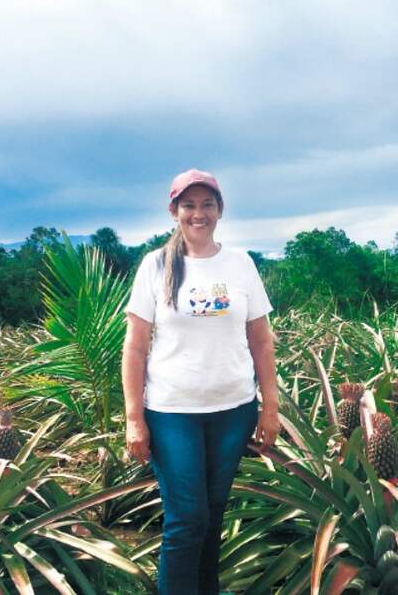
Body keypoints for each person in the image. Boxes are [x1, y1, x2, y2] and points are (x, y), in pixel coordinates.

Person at [121, 168, 280, 595]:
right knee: (187, 519)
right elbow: (134, 347)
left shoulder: (240, 264)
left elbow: (261, 342)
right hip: (173, 413)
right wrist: (134, 418)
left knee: (211, 514)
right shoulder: (155, 265)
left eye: (207, 204)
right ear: (174, 211)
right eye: (188, 205)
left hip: (233, 409)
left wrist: (270, 406)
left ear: (220, 209)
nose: (198, 213)